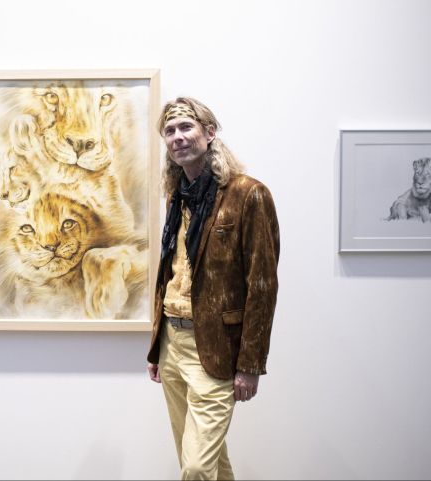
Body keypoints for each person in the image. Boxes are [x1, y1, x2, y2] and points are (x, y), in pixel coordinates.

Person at [146, 97, 280, 480]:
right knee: (211, 463)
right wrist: (157, 344)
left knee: (196, 467)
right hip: (172, 342)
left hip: (217, 347)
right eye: (169, 130)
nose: (177, 137)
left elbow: (262, 286)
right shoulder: (177, 196)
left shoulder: (248, 194)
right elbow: (170, 271)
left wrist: (250, 364)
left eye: (186, 127)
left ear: (209, 132)